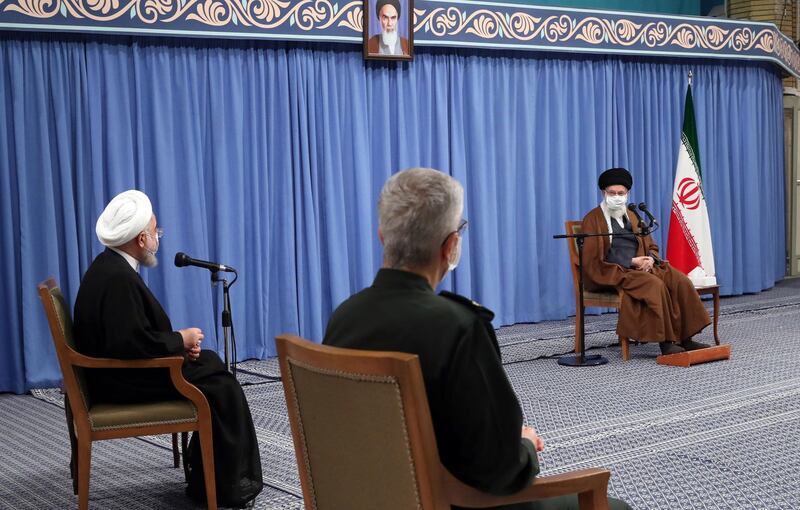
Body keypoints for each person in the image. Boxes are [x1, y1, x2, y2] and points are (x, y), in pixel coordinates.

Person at [324, 168, 630, 510]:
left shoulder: (344, 317)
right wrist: (525, 445)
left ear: (382, 236)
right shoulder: (458, 327)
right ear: (451, 245)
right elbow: (502, 471)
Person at [73, 190, 262, 508]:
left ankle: (212, 476)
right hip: (120, 381)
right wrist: (180, 340)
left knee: (212, 365)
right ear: (142, 239)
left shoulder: (109, 266)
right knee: (223, 386)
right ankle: (223, 486)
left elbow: (130, 337)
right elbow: (130, 345)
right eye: (156, 230)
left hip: (114, 373)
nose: (159, 236)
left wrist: (178, 345)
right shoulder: (118, 279)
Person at [582, 167, 712, 355]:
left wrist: (650, 259)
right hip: (615, 270)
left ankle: (686, 337)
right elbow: (594, 257)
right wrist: (631, 261)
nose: (617, 197)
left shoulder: (633, 215)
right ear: (604, 193)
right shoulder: (592, 219)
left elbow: (651, 244)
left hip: (643, 267)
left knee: (680, 280)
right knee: (654, 285)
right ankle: (666, 342)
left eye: (621, 193)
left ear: (627, 193)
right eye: (612, 193)